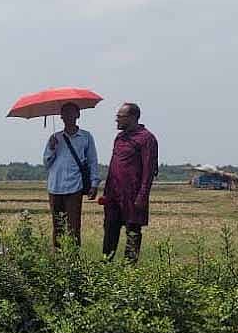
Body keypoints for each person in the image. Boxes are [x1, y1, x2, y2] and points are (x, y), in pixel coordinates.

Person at [101, 103, 158, 263]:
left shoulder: (146, 138)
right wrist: (106, 193)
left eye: (120, 117)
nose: (117, 120)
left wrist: (142, 195)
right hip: (114, 194)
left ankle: (129, 268)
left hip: (133, 194)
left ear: (132, 117)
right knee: (110, 229)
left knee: (133, 231)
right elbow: (113, 166)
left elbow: (149, 170)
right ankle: (105, 264)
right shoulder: (119, 138)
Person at [43, 102, 100, 247]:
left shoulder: (86, 137)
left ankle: (74, 258)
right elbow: (46, 163)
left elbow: (92, 161)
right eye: (65, 113)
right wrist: (51, 148)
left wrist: (94, 184)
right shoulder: (55, 138)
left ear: (78, 115)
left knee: (74, 228)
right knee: (58, 227)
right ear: (61, 117)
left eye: (71, 112)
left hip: (75, 187)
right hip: (55, 187)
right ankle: (58, 257)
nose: (68, 116)